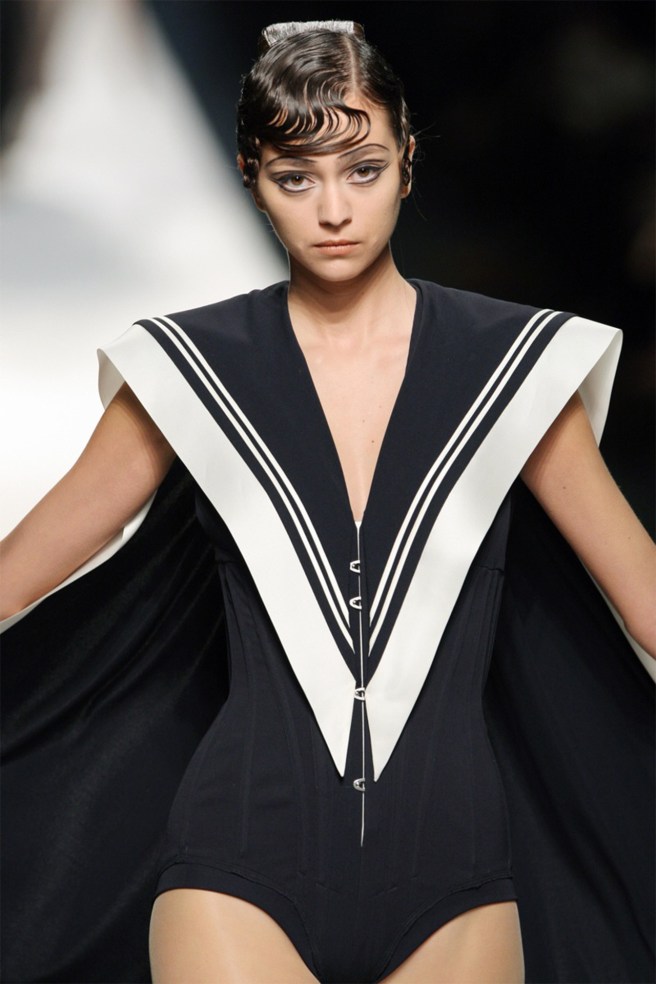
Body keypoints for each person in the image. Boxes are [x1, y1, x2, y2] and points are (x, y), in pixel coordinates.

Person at [1, 19, 654, 984]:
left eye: (363, 168)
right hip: (234, 873)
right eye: (296, 177)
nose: (334, 209)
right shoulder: (189, 372)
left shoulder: (515, 370)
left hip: (460, 888)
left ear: (407, 160)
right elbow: (13, 579)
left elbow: (646, 605)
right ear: (251, 176)